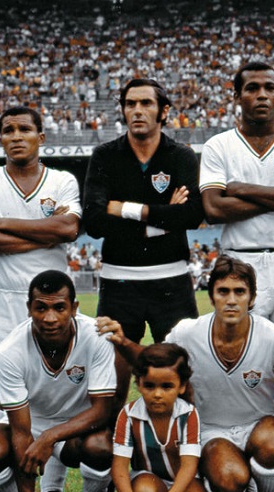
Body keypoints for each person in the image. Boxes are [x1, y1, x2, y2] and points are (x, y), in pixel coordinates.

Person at [98, 256, 274, 492]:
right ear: (211, 295)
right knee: (229, 477)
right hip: (208, 431)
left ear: (252, 298)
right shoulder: (188, 332)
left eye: (240, 292)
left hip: (257, 424)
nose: (231, 300)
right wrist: (123, 342)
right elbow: (154, 359)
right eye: (223, 291)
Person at [0, 106, 81, 492]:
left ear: (41, 137)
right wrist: (39, 230)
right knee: (5, 409)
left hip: (53, 305)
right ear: (0, 138)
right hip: (1, 304)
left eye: (25, 129)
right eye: (7, 130)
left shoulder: (62, 180)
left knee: (58, 403)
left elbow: (68, 230)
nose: (16, 136)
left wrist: (5, 226)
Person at [83, 78, 204, 411]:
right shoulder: (105, 155)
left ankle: (186, 458)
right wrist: (163, 216)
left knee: (185, 383)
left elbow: (193, 215)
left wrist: (123, 208)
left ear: (163, 111)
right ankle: (111, 460)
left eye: (146, 103)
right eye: (130, 104)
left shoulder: (180, 156)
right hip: (118, 281)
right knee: (110, 388)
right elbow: (93, 221)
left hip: (172, 281)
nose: (137, 110)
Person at [0, 271, 116, 492]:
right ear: (29, 309)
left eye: (59, 308)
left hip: (76, 425)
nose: (50, 318)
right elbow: (21, 431)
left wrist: (49, 437)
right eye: (41, 308)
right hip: (28, 422)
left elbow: (102, 410)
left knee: (102, 447)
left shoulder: (96, 337)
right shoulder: (9, 351)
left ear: (74, 308)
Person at [199, 62, 274, 349]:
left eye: (270, 88)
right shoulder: (219, 145)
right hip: (240, 261)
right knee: (241, 354)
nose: (262, 95)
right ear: (237, 97)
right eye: (252, 88)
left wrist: (242, 190)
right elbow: (214, 210)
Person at [112, 343, 211, 492]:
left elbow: (189, 464)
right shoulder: (129, 415)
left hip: (182, 481)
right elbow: (119, 464)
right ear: (139, 383)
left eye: (167, 387)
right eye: (149, 386)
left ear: (181, 387)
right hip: (149, 478)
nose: (157, 394)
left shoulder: (188, 415)